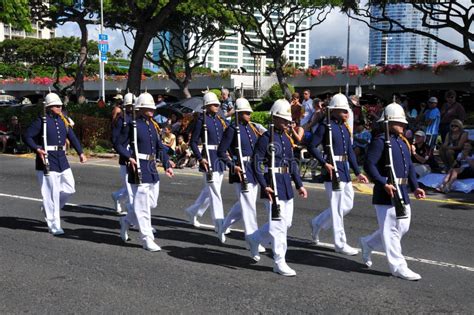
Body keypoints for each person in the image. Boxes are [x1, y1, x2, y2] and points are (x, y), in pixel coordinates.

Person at [361, 102, 426, 281]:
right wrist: (382, 182)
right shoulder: (380, 141)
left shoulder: (402, 142)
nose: (403, 125)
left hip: (402, 190)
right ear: (387, 122)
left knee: (402, 227)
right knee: (391, 231)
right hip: (387, 192)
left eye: (403, 122)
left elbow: (410, 166)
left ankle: (368, 243)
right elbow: (369, 164)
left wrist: (416, 186)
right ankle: (398, 267)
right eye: (399, 122)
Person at [247, 99, 308, 276]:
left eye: (288, 120)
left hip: (285, 185)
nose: (287, 123)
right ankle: (279, 261)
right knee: (278, 227)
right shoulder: (265, 139)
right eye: (283, 119)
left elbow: (292, 163)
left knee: (286, 223)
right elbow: (256, 163)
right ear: (274, 118)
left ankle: (255, 238)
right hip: (272, 185)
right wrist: (264, 185)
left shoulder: (286, 139)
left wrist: (299, 184)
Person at [307, 93, 368, 256]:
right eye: (343, 111)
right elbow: (312, 146)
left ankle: (317, 222)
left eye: (347, 111)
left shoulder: (344, 128)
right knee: (337, 208)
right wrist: (324, 163)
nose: (346, 114)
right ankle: (340, 243)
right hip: (332, 171)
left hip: (344, 170)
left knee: (347, 205)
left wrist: (357, 172)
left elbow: (350, 151)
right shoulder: (325, 126)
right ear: (333, 111)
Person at [115, 92, 174, 251]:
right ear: (139, 108)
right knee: (142, 205)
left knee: (151, 203)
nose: (151, 111)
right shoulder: (133, 125)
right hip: (138, 167)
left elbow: (159, 147)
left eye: (152, 108)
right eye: (147, 108)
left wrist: (167, 164)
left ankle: (126, 221)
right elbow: (118, 144)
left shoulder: (152, 126)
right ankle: (147, 238)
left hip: (151, 167)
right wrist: (129, 157)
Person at [23, 92, 87, 236]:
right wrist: (37, 148)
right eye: (56, 106)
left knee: (70, 188)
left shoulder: (63, 120)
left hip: (61, 159)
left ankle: (49, 209)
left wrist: (80, 153)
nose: (59, 107)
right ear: (49, 107)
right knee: (51, 194)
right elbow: (27, 136)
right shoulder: (42, 120)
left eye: (60, 105)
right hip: (47, 159)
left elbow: (72, 137)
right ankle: (53, 224)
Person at [217, 97, 264, 253]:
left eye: (249, 113)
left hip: (253, 169)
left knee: (244, 204)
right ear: (238, 114)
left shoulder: (251, 128)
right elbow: (221, 152)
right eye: (245, 113)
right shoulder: (232, 129)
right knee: (249, 207)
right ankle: (252, 240)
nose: (249, 115)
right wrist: (232, 166)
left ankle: (223, 226)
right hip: (241, 170)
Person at [184, 91, 228, 242]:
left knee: (210, 191)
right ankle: (219, 224)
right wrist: (199, 158)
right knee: (215, 193)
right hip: (208, 158)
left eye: (217, 104)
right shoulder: (201, 121)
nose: (217, 106)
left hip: (219, 158)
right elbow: (193, 142)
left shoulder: (219, 121)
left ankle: (193, 211)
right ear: (207, 105)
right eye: (214, 104)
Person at [111, 93, 135, 215]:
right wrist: (126, 154)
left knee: (133, 187)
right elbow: (116, 141)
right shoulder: (122, 119)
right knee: (130, 187)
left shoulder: (137, 118)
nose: (133, 108)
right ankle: (132, 215)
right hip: (126, 156)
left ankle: (117, 196)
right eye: (130, 105)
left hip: (137, 156)